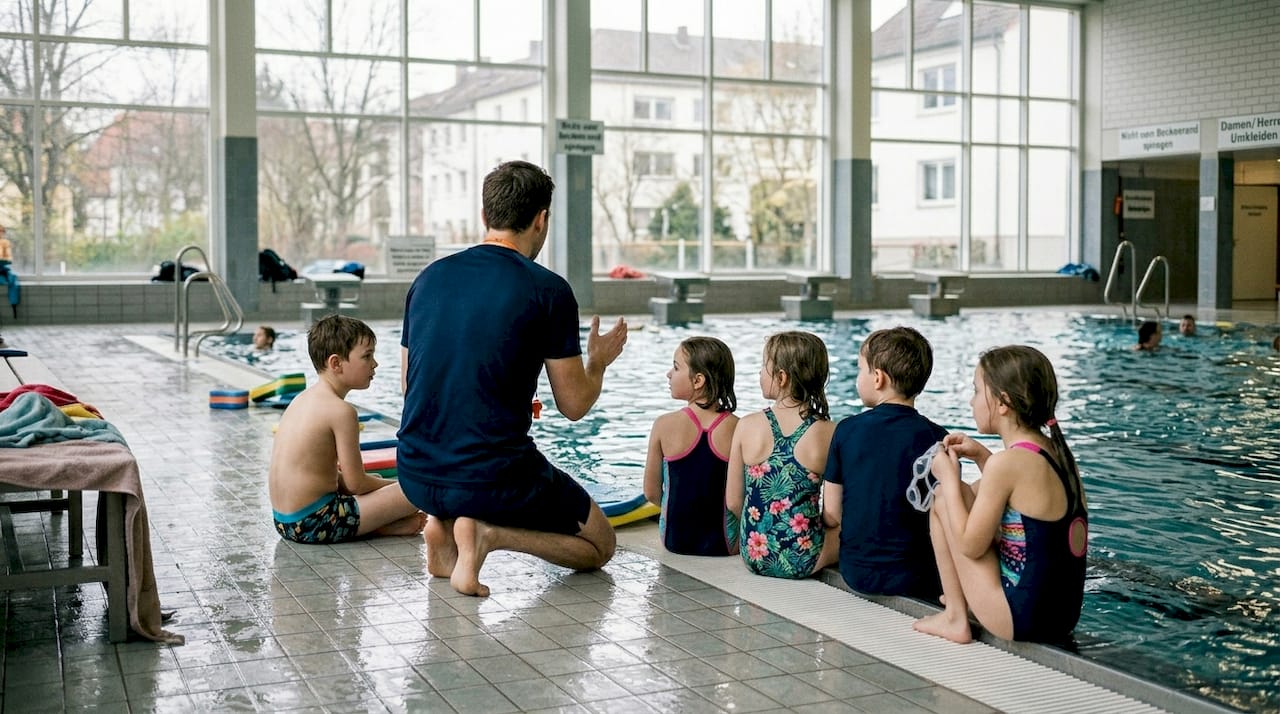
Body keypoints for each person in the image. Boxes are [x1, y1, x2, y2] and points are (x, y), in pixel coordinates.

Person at [398, 160, 629, 597]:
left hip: (414, 473)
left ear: (484, 215)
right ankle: (488, 535)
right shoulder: (548, 290)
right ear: (541, 220)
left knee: (459, 470)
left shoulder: (428, 279)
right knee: (601, 545)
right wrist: (598, 362)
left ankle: (442, 528)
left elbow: (409, 387)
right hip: (491, 479)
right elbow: (574, 406)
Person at [913, 345, 1088, 645]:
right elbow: (1018, 506)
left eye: (976, 391)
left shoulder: (1006, 464)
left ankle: (955, 617)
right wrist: (982, 456)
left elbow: (970, 546)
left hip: (1020, 619)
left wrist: (949, 479)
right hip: (1061, 618)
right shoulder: (1058, 455)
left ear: (1003, 402)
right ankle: (962, 607)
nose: (971, 401)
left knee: (944, 498)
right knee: (968, 495)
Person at [269, 314, 425, 544]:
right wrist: (396, 487)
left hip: (285, 523)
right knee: (420, 490)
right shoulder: (341, 412)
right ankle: (376, 526)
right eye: (367, 356)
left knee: (376, 480)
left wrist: (378, 486)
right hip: (317, 522)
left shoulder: (301, 400)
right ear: (336, 363)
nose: (375, 364)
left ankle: (379, 525)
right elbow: (356, 484)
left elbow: (324, 475)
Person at [823, 326, 948, 598]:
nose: (858, 378)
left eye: (860, 370)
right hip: (919, 576)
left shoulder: (846, 430)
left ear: (878, 378)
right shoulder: (938, 437)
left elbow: (832, 513)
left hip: (856, 572)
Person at [727, 331, 838, 578]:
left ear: (781, 377)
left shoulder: (746, 425)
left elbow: (733, 502)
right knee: (846, 531)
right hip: (804, 558)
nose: (759, 373)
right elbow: (832, 515)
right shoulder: (830, 432)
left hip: (753, 554)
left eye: (763, 367)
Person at [644, 336, 739, 556]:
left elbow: (651, 492)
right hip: (724, 545)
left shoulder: (663, 425)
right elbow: (739, 499)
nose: (669, 373)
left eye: (676, 367)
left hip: (674, 540)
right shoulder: (738, 427)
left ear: (698, 380)